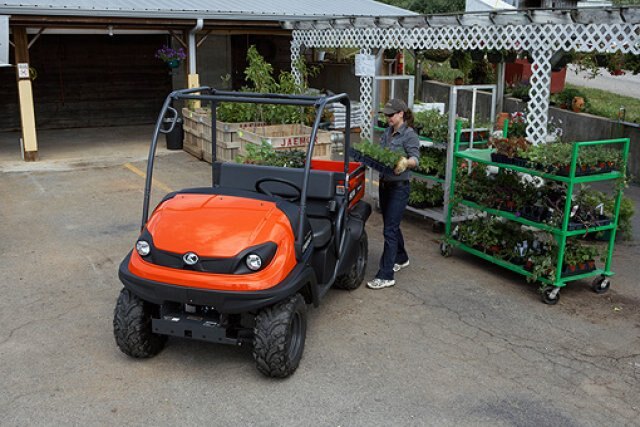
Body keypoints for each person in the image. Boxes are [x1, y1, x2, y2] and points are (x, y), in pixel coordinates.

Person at [367, 98, 420, 290]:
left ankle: (386, 274)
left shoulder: (409, 135)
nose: (388, 117)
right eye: (386, 114)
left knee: (389, 229)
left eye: (391, 114)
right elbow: (381, 153)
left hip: (399, 187)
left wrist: (406, 162)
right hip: (385, 184)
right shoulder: (387, 133)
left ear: (401, 114)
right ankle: (401, 256)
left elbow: (416, 158)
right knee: (391, 224)